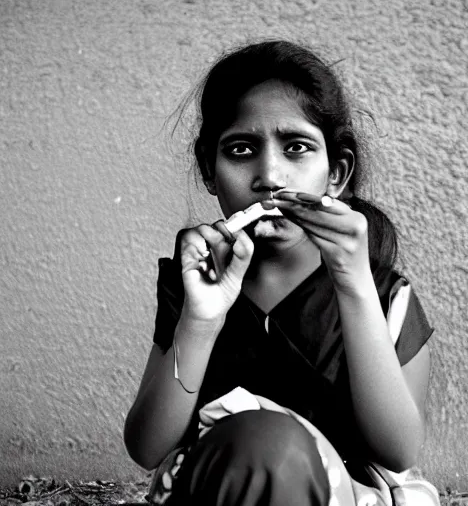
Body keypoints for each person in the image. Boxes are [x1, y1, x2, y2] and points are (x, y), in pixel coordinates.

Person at [124, 40, 435, 506]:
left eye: (296, 148)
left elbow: (397, 450)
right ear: (209, 169)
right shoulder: (194, 285)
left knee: (269, 445)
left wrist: (353, 287)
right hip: (214, 489)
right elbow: (147, 449)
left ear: (337, 173)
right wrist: (201, 321)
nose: (270, 174)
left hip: (343, 496)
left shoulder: (386, 295)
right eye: (242, 149)